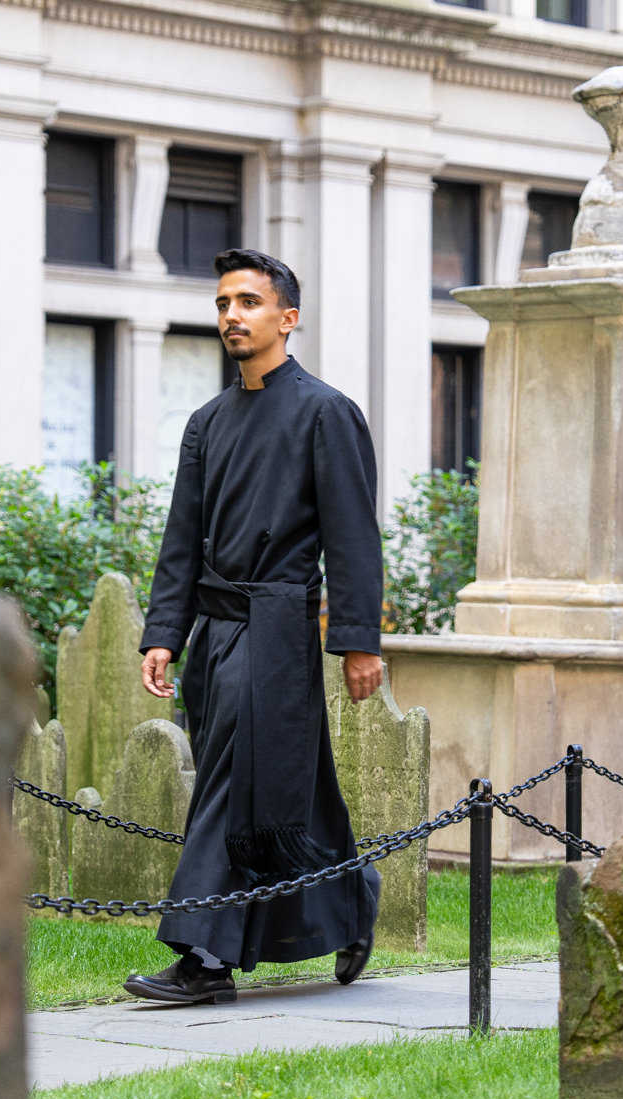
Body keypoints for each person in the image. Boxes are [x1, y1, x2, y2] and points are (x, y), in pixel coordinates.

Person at [123, 248, 384, 1006]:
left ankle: (202, 956)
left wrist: (358, 641)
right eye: (224, 303)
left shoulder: (326, 412)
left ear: (287, 318)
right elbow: (183, 536)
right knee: (282, 789)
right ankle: (350, 893)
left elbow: (352, 536)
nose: (232, 315)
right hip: (214, 631)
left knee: (234, 791)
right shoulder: (206, 423)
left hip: (276, 632)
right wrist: (163, 632)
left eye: (249, 302)